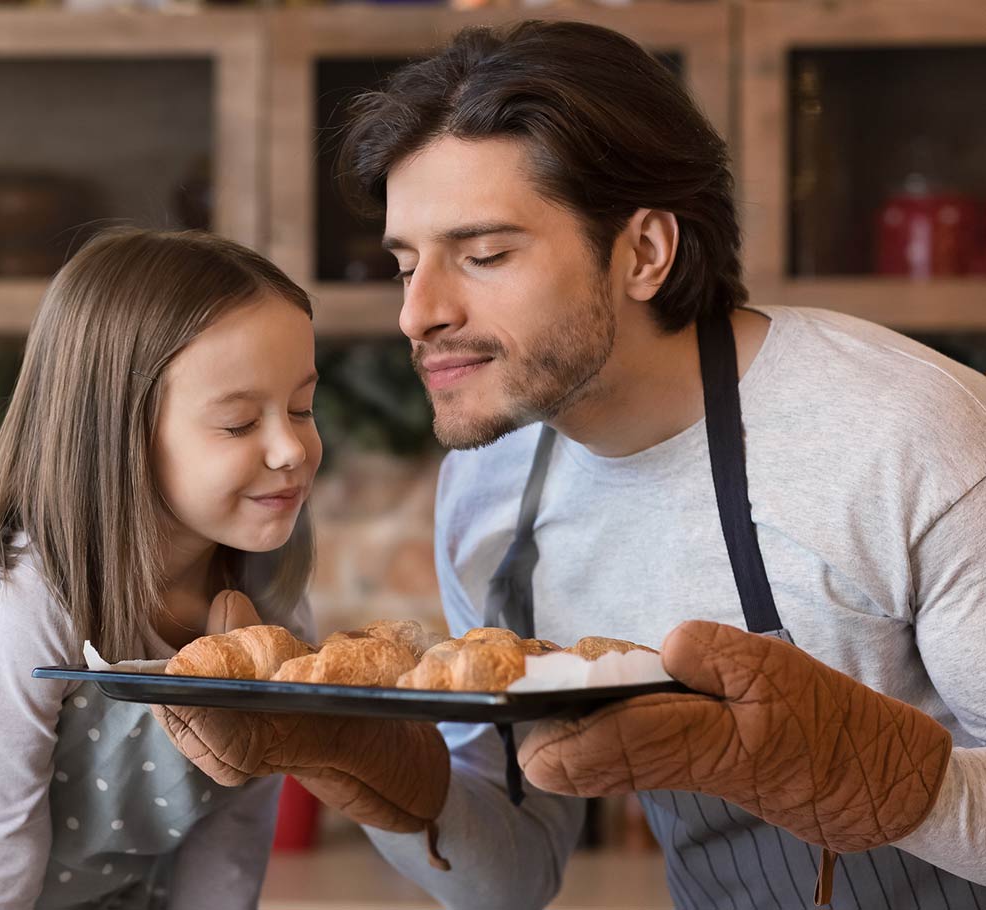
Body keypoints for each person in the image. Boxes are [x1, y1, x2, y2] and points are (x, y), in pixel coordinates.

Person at [158, 20, 986, 909]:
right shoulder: (492, 486)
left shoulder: (906, 438)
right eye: (406, 266)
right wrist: (366, 767)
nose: (418, 313)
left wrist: (889, 781)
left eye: (483, 255)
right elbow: (510, 872)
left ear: (644, 252)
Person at [0, 228, 323, 910]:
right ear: (119, 433)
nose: (290, 448)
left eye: (303, 408)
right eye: (240, 423)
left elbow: (235, 827)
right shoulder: (29, 594)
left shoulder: (272, 606)